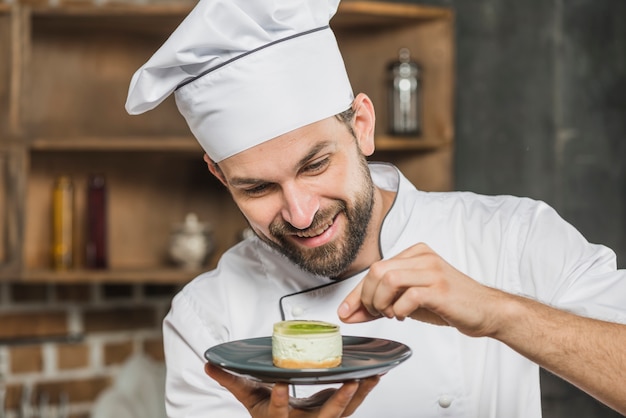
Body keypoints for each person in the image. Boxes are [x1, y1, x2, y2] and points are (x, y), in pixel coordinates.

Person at [125, 0, 626, 417]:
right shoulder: (206, 322)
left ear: (362, 125)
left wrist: (500, 313)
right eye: (257, 189)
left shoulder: (511, 236)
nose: (300, 214)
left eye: (316, 164)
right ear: (219, 176)